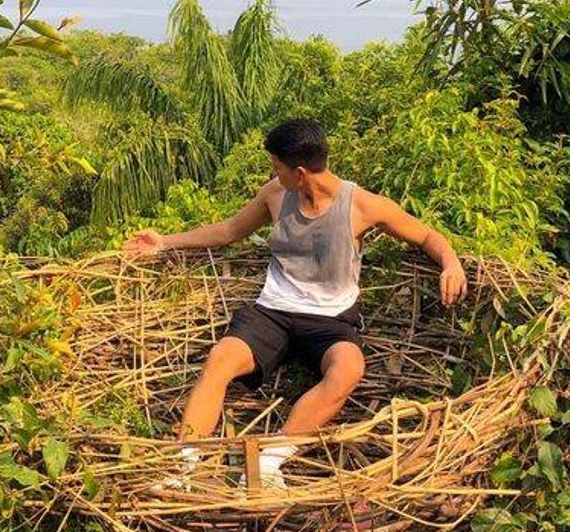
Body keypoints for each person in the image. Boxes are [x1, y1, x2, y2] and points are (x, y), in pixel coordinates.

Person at [122, 117, 468, 489]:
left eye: (277, 168)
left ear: (300, 172)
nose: (274, 175)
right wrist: (165, 241)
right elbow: (229, 231)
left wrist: (451, 263)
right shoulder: (275, 195)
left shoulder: (363, 206)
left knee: (349, 369)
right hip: (272, 311)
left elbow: (427, 235)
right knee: (221, 357)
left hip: (330, 319)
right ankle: (184, 467)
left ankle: (270, 462)